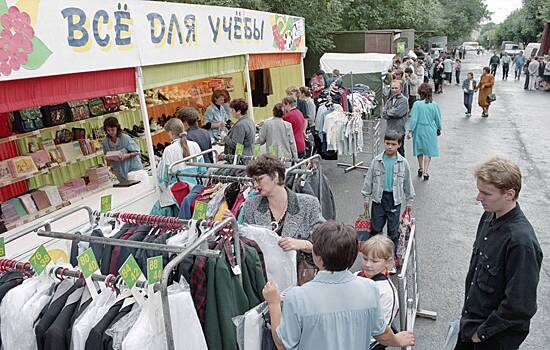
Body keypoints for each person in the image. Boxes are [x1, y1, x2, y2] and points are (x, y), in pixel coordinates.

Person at [262, 221, 416, 350]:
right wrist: (397, 340)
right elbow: (381, 333)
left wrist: (273, 303)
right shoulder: (370, 289)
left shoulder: (297, 297)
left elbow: (282, 344)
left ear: (317, 256)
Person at [455, 157, 542, 350]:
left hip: (492, 340)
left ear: (509, 194)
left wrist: (481, 334)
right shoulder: (489, 216)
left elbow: (520, 305)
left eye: (486, 193)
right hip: (470, 327)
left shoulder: (521, 242)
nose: (478, 198)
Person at [234, 154, 324, 247]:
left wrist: (302, 244)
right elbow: (247, 244)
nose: (255, 185)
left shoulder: (309, 204)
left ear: (275, 176)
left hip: (299, 260)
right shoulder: (251, 204)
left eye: (259, 179)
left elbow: (324, 243)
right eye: (253, 181)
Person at [361, 131, 415, 252]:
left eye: (393, 144)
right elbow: (369, 179)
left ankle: (391, 257)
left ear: (399, 145)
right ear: (384, 143)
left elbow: (407, 182)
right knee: (376, 229)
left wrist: (409, 201)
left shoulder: (403, 163)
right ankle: (374, 254)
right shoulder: (376, 161)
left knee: (393, 231)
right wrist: (366, 197)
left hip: (394, 200)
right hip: (378, 199)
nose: (390, 146)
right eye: (387, 143)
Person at [153, 118, 204, 216]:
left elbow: (163, 178)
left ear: (171, 133)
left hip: (178, 194)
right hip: (196, 192)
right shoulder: (195, 145)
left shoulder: (169, 150)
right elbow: (203, 171)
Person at [407, 83, 442, 181]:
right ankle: (426, 171)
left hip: (419, 129)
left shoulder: (417, 104)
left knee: (420, 150)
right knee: (428, 151)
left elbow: (414, 119)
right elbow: (438, 119)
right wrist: (439, 128)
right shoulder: (434, 105)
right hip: (430, 129)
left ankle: (420, 168)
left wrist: (410, 131)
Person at [101, 117, 143, 182]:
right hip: (120, 173)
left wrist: (126, 156)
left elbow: (137, 152)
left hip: (134, 171)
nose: (110, 132)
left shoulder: (125, 138)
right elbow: (107, 158)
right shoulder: (105, 142)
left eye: (112, 129)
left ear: (117, 128)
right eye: (108, 130)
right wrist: (108, 161)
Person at [383, 81, 409, 157]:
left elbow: (398, 113)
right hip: (389, 131)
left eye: (396, 88)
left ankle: (402, 168)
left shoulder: (404, 100)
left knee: (400, 152)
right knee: (389, 151)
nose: (394, 90)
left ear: (401, 89)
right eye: (392, 88)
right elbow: (384, 114)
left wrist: (389, 112)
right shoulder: (389, 100)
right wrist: (391, 112)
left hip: (399, 132)